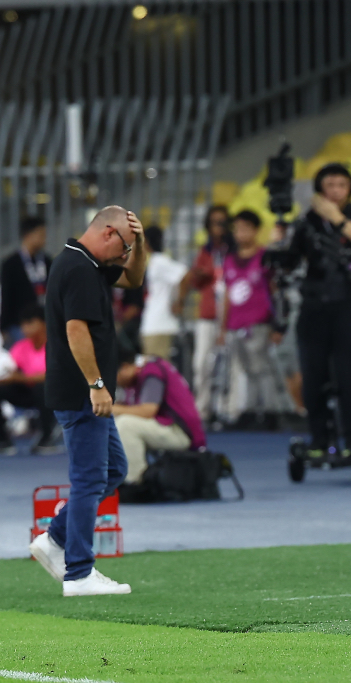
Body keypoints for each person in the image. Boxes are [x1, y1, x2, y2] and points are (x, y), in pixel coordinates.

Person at [30, 205, 146, 597]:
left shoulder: (86, 262)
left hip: (85, 392)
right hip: (83, 392)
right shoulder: (79, 268)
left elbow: (134, 278)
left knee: (114, 470)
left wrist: (139, 242)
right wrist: (96, 384)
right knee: (90, 478)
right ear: (109, 233)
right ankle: (78, 573)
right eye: (124, 247)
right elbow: (76, 330)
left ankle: (55, 539)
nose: (124, 256)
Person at [287, 163, 351, 458]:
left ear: (350, 189)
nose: (336, 191)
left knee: (348, 376)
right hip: (313, 307)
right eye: (330, 185)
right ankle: (318, 439)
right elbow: (290, 260)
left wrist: (336, 219)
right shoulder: (306, 222)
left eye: (342, 185)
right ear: (319, 189)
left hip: (347, 307)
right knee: (313, 376)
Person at [221, 210, 285, 419]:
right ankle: (250, 411)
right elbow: (228, 295)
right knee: (245, 370)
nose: (241, 233)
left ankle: (270, 410)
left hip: (259, 323)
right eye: (237, 229)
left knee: (262, 368)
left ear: (256, 230)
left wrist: (278, 324)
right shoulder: (229, 260)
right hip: (236, 324)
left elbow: (275, 292)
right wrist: (223, 327)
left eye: (245, 229)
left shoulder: (264, 257)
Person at [113, 345, 208, 486]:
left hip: (181, 433)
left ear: (125, 367)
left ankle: (133, 483)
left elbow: (147, 411)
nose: (114, 381)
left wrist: (110, 408)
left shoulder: (151, 371)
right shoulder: (139, 374)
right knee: (114, 421)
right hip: (169, 427)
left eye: (113, 375)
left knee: (125, 425)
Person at [0, 305, 60, 457]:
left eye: (30, 323)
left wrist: (19, 377)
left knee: (42, 387)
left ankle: (47, 438)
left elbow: (53, 376)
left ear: (44, 324)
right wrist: (1, 377)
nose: (25, 328)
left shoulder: (55, 347)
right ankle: (0, 440)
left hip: (51, 396)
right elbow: (10, 370)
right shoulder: (21, 347)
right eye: (23, 324)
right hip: (27, 394)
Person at [176, 205, 232, 419]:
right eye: (214, 222)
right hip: (208, 314)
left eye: (222, 222)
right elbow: (194, 281)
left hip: (231, 315)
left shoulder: (233, 251)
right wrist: (201, 274)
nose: (218, 227)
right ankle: (203, 408)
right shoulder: (205, 251)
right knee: (201, 363)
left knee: (231, 365)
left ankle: (229, 409)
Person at [0, 216, 51, 344]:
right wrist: (4, 327)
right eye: (41, 235)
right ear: (28, 235)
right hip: (19, 327)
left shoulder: (47, 262)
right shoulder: (10, 264)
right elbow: (6, 297)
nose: (44, 239)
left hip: (44, 325)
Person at [139, 225, 187, 361]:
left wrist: (179, 302)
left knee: (157, 368)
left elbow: (185, 275)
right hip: (154, 324)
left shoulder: (160, 261)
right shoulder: (154, 261)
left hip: (159, 324)